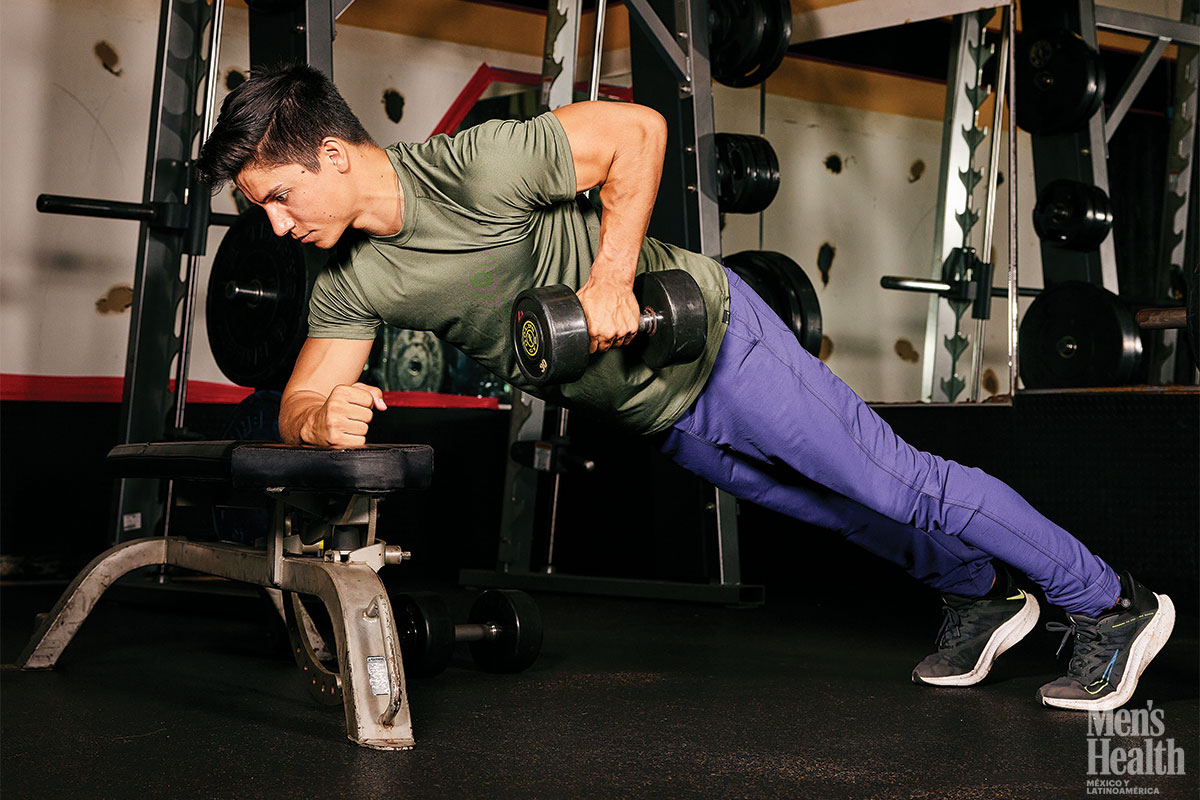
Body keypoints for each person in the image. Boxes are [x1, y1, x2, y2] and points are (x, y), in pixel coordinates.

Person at [196, 63, 1174, 712]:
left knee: (900, 481)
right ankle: (977, 591)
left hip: (717, 341)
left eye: (278, 196)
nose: (277, 227)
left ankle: (1115, 601)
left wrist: (612, 272)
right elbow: (302, 395)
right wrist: (323, 411)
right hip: (655, 409)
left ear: (329, 154)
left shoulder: (473, 167)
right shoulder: (345, 275)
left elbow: (635, 131)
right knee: (836, 508)